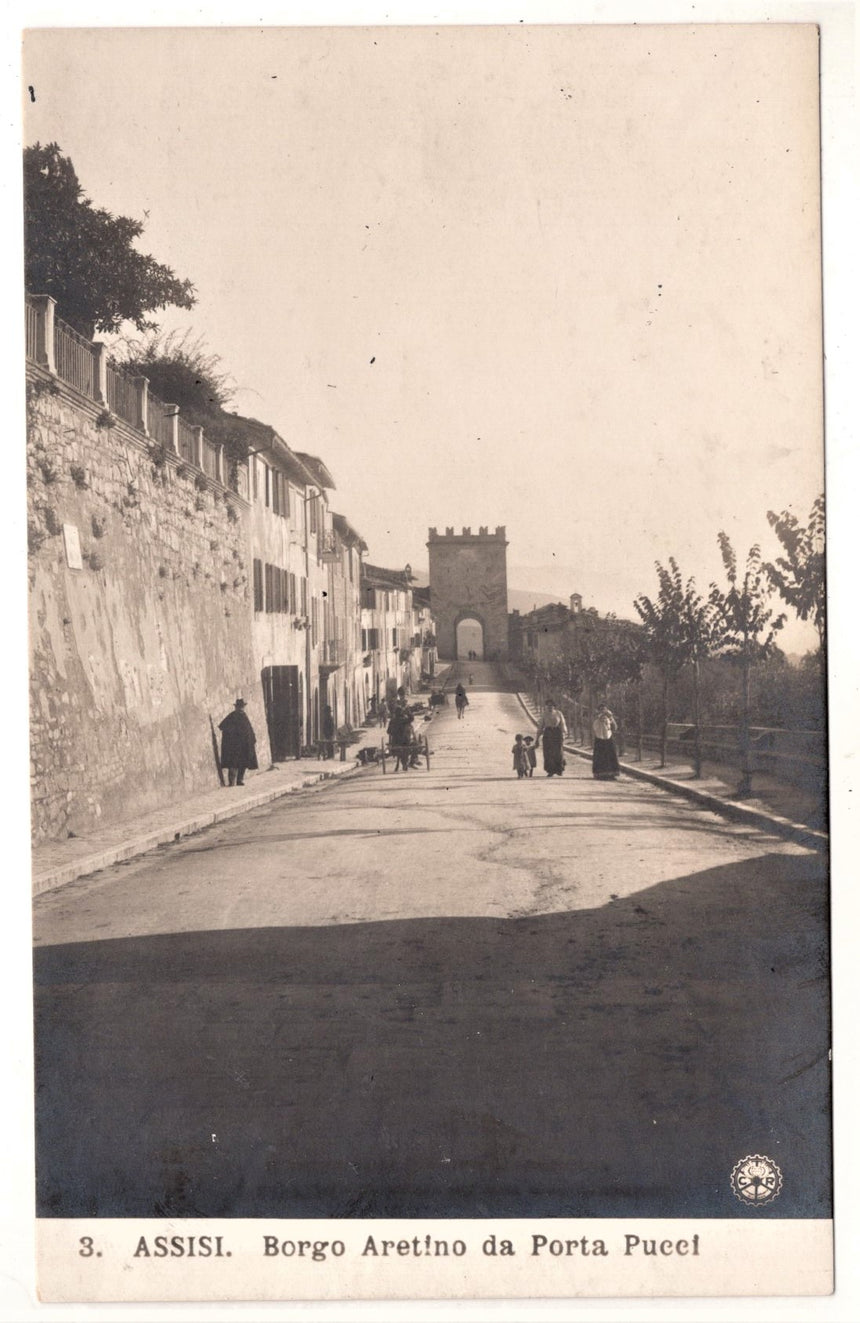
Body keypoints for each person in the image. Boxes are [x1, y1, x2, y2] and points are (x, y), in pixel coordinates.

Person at [218, 698, 258, 787]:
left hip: (244, 745)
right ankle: (232, 782)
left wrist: (252, 739)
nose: (241, 708)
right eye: (240, 707)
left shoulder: (244, 716)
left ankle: (240, 780)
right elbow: (222, 727)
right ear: (236, 707)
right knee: (233, 763)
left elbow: (249, 730)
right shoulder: (232, 716)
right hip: (234, 745)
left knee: (243, 763)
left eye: (242, 707)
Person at [535, 700, 568, 776]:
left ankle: (559, 769)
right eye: (548, 705)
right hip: (548, 734)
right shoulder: (544, 714)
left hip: (557, 733)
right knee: (548, 753)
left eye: (551, 705)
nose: (550, 707)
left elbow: (562, 724)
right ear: (546, 706)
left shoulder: (558, 713)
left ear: (554, 706)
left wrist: (564, 733)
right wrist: (537, 738)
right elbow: (540, 726)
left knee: (558, 752)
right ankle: (551, 771)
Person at [592, 704, 620, 780]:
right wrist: (600, 717)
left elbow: (615, 727)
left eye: (604, 709)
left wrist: (611, 718)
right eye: (601, 710)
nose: (603, 711)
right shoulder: (597, 719)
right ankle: (600, 774)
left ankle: (611, 774)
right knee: (600, 757)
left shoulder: (609, 718)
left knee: (611, 755)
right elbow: (594, 728)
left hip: (608, 738)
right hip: (600, 738)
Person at [387, 701, 414, 771]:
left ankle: (403, 763)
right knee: (410, 747)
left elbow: (388, 731)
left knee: (401, 750)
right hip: (405, 741)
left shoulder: (392, 721)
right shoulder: (404, 720)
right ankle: (408, 762)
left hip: (396, 741)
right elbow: (411, 719)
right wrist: (409, 712)